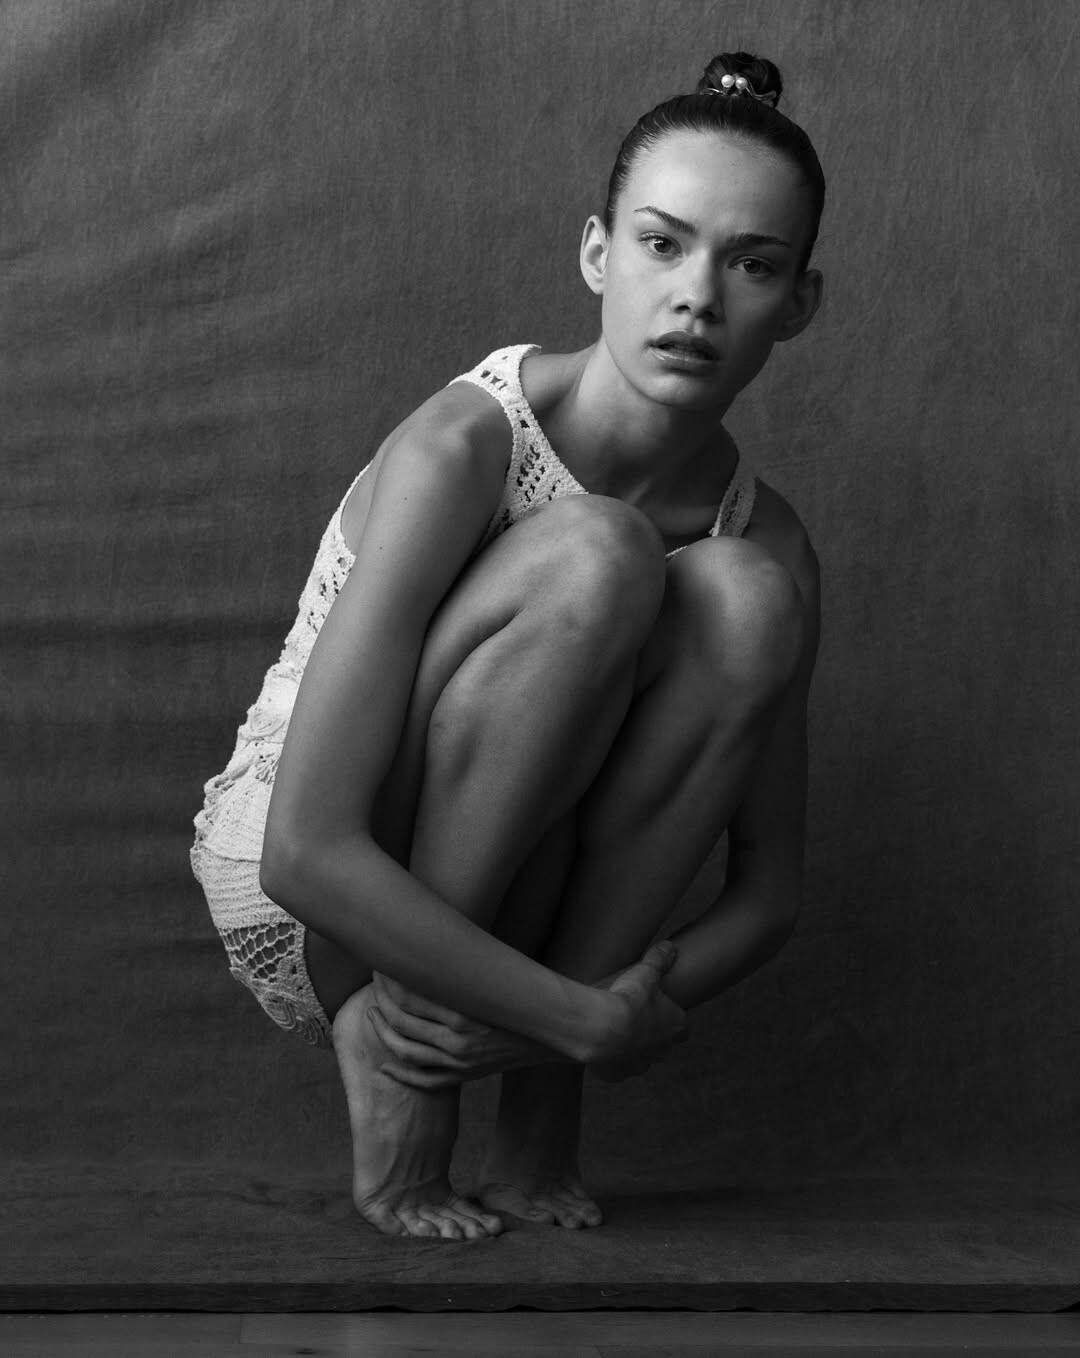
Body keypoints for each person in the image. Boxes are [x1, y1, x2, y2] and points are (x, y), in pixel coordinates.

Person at [191, 49, 825, 1242]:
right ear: (597, 254)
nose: (697, 296)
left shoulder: (770, 538)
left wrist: (615, 1009)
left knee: (747, 598)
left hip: (532, 898)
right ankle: (403, 1066)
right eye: (662, 244)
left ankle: (536, 1117)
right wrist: (582, 1019)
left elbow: (768, 894)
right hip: (329, 891)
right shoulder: (468, 442)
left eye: (752, 264)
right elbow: (304, 849)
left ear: (798, 302)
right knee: (601, 549)